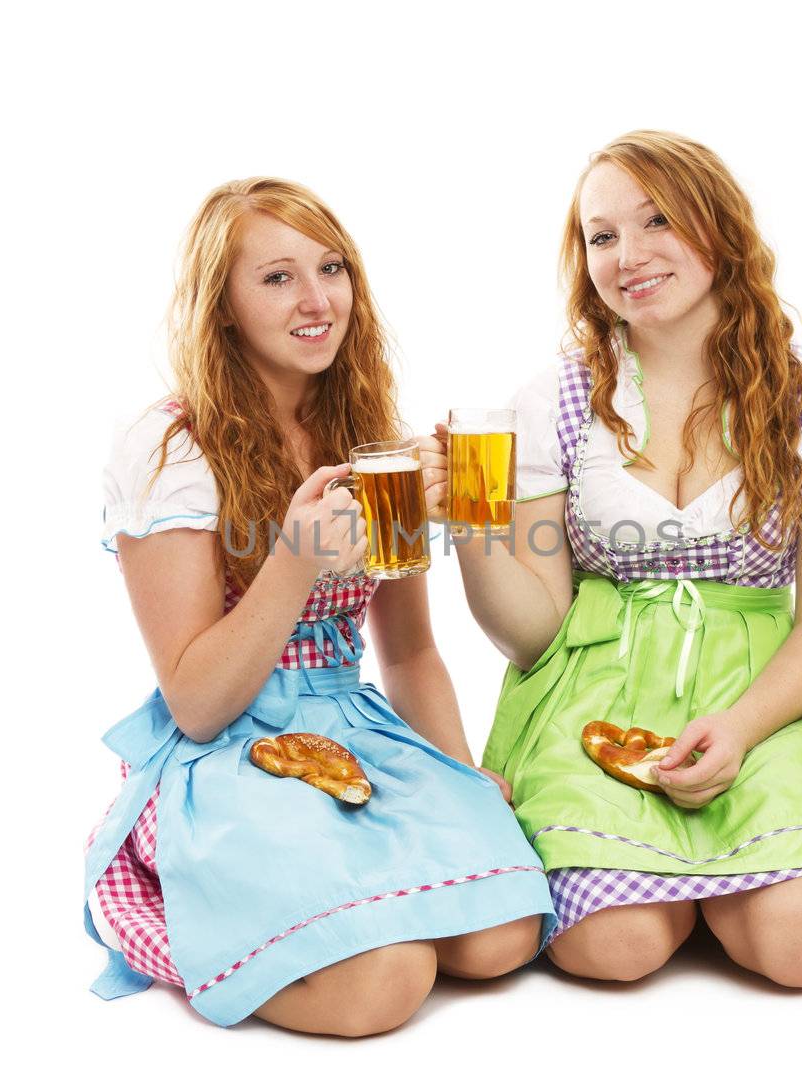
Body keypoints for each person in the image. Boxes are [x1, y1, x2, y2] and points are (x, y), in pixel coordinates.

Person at [82, 177, 553, 1034]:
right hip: (228, 749)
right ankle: (198, 924)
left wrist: (455, 767)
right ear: (221, 307)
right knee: (385, 982)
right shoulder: (170, 446)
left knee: (502, 937)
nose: (316, 299)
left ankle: (350, 902)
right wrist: (293, 561)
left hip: (353, 726)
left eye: (331, 269)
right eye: (276, 277)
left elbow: (408, 653)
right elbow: (195, 702)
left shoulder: (369, 434)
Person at [441, 131, 802, 989]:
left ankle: (722, 884)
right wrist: (470, 521)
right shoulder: (557, 397)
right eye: (602, 235)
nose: (629, 255)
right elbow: (536, 630)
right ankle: (681, 889)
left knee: (801, 948)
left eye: (658, 220)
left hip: (765, 690)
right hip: (595, 690)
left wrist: (739, 728)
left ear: (719, 227)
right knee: (612, 949)